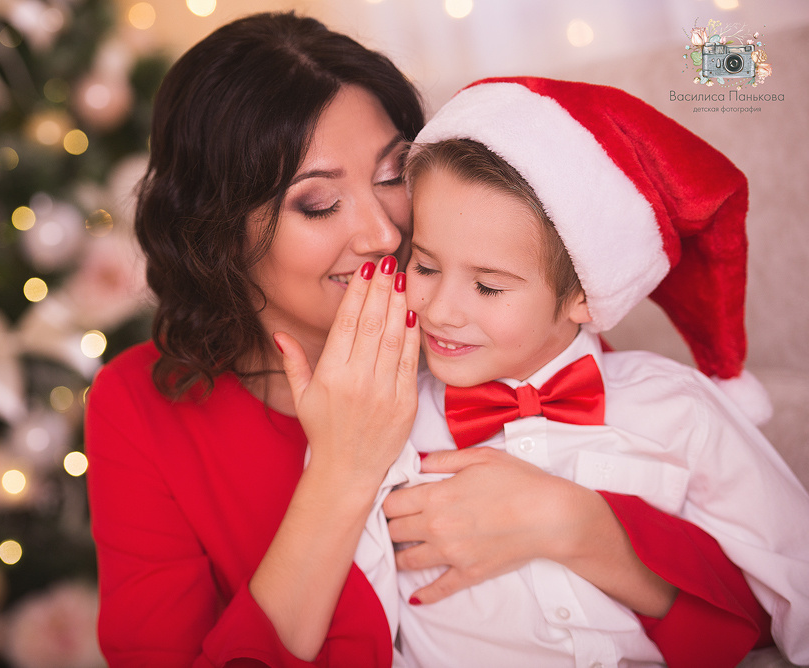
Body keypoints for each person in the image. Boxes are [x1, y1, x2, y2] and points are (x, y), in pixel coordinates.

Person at [84, 14, 771, 667]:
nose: (384, 234)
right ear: (218, 229)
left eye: (394, 176)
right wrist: (343, 472)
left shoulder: (480, 327)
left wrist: (581, 529)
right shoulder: (137, 406)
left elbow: (754, 613)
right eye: (319, 203)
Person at [356, 76, 809, 667]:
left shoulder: (677, 410)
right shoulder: (388, 424)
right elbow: (363, 628)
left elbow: (792, 580)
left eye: (488, 285)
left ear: (587, 298)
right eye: (425, 265)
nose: (440, 310)